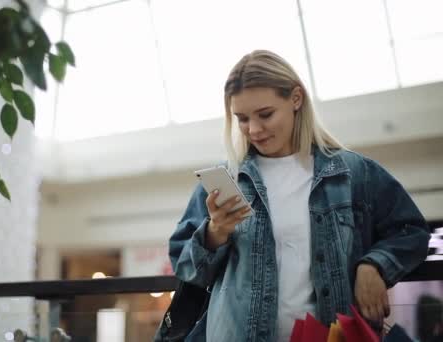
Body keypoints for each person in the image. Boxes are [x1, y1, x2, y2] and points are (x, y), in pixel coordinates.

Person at [168, 50, 431, 341]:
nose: (253, 129)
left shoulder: (352, 173)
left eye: (265, 114)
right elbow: (185, 265)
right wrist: (215, 233)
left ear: (296, 98)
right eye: (241, 118)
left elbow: (412, 231)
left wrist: (374, 265)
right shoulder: (226, 179)